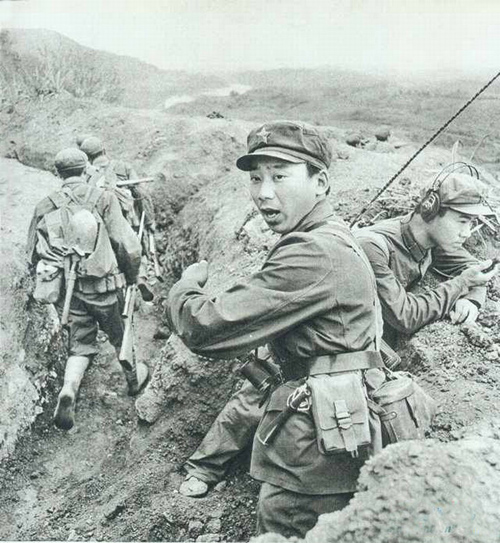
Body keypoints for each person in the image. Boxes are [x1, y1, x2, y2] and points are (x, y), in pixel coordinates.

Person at [178, 163, 499, 500]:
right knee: (260, 391)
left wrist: (473, 296)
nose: (469, 232)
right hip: (310, 334)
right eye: (463, 220)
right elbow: (405, 315)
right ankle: (205, 466)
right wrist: (460, 286)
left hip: (355, 345)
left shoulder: (431, 242)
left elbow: (474, 268)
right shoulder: (376, 245)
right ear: (431, 210)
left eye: (473, 223)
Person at [167, 120, 386, 538]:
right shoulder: (329, 234)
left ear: (320, 182)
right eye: (255, 178)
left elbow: (206, 328)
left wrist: (184, 288)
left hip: (313, 456)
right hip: (337, 429)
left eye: (279, 177)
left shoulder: (311, 250)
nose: (263, 193)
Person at [27, 148, 149, 431]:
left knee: (80, 343)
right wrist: (132, 276)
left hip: (68, 291)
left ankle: (69, 388)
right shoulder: (103, 198)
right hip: (105, 286)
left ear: (58, 174)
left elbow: (32, 252)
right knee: (120, 333)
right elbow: (126, 244)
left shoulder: (45, 205)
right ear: (85, 170)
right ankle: (134, 380)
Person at [80, 136, 156, 302]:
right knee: (136, 245)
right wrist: (150, 221)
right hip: (129, 218)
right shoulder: (123, 167)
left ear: (87, 158)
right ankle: (140, 277)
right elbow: (142, 194)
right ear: (104, 150)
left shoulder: (87, 176)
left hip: (104, 221)